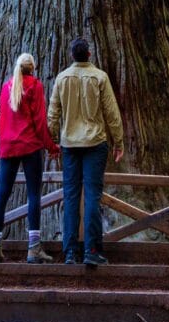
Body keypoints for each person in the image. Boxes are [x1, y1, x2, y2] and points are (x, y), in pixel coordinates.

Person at [47, 37, 124, 266]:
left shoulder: (62, 78)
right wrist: (118, 142)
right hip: (95, 144)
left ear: (73, 55)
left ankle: (70, 252)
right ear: (89, 54)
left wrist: (53, 142)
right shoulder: (100, 77)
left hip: (69, 145)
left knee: (70, 197)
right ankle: (91, 250)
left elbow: (53, 114)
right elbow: (111, 112)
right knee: (92, 196)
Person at [0, 52, 60, 264]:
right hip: (30, 146)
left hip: (9, 147)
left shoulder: (6, 87)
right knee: (33, 195)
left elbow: (1, 120)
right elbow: (39, 121)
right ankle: (33, 248)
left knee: (2, 194)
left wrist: (3, 144)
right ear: (33, 68)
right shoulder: (35, 86)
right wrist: (51, 146)